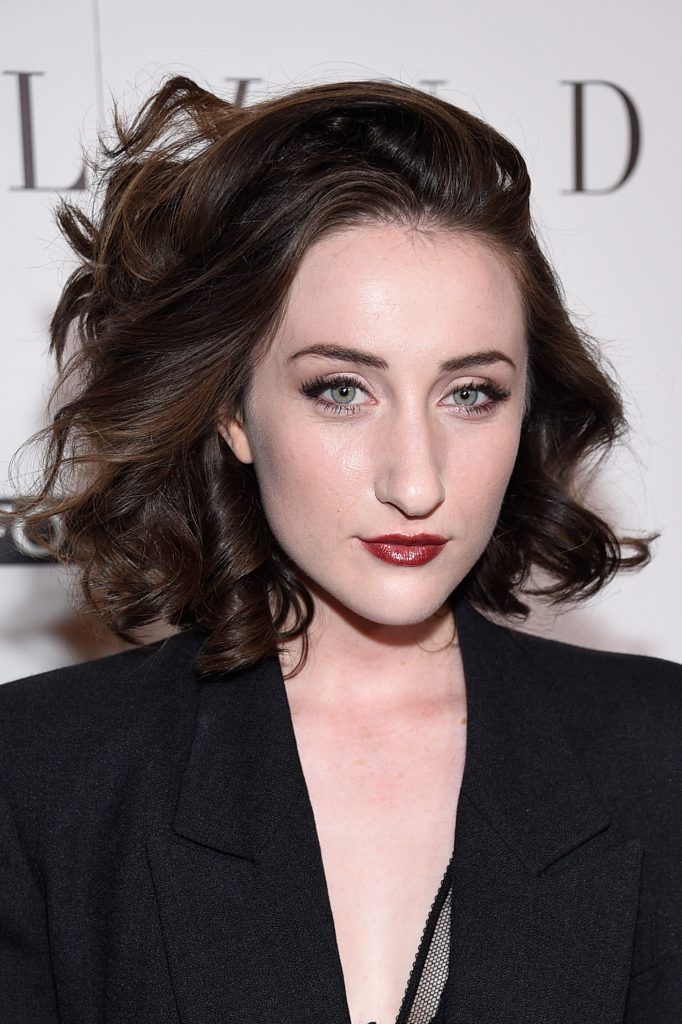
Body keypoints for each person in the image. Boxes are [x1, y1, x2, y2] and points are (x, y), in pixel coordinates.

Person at [0, 74, 680, 1024]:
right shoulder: (39, 773)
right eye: (341, 390)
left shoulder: (660, 753)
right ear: (234, 410)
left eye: (471, 393)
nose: (417, 481)